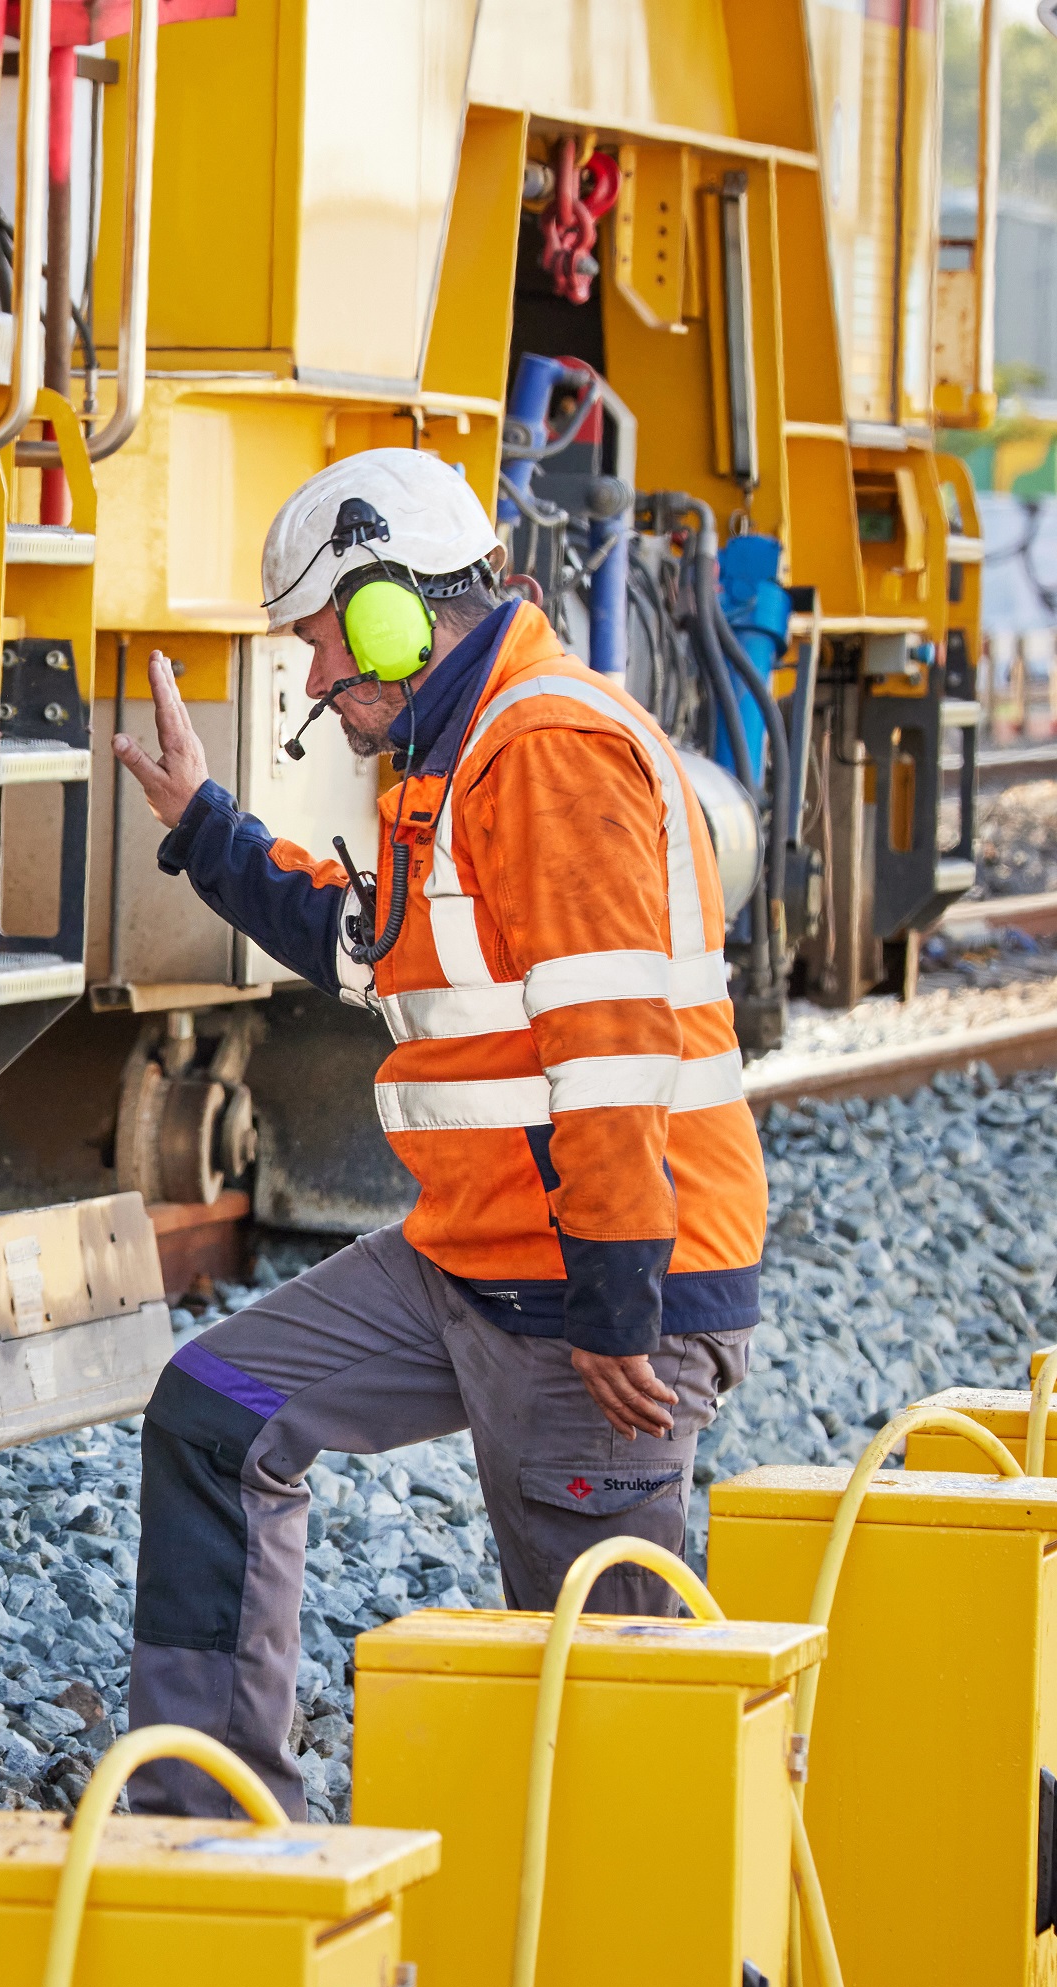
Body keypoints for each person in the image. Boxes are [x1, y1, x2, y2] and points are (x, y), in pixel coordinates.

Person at [103, 447, 769, 1817]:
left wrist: (617, 1311)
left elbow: (611, 1057)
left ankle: (858, 1864)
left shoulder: (548, 752)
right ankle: (206, 1834)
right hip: (476, 1261)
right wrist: (207, 830)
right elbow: (375, 949)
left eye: (317, 643)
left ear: (391, 612)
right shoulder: (454, 757)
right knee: (216, 1410)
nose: (311, 682)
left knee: (624, 1711)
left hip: (599, 1288)